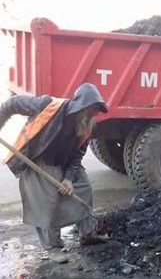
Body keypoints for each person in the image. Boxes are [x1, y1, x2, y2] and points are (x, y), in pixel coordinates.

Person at [0, 83, 109, 250]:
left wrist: (68, 179)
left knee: (84, 186)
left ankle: (87, 233)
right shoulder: (48, 106)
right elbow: (11, 104)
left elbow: (77, 156)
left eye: (96, 111)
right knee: (48, 201)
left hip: (63, 162)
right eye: (92, 109)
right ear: (82, 106)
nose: (94, 114)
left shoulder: (88, 125)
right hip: (38, 159)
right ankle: (53, 247)